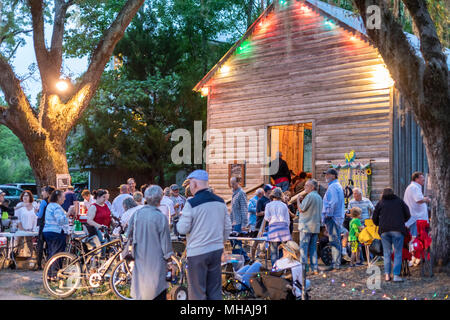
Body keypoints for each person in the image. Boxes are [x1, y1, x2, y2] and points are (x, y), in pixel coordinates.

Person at [176, 169, 232, 300]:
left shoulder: (191, 203)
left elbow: (182, 229)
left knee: (197, 291)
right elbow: (227, 227)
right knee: (214, 290)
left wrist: (181, 219)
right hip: (216, 250)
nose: (190, 187)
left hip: (197, 252)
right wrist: (220, 241)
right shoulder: (220, 201)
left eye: (190, 184)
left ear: (195, 184)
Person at [126, 185, 173, 300]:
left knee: (141, 288)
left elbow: (128, 234)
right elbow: (165, 242)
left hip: (140, 256)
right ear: (160, 199)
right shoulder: (161, 217)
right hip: (157, 258)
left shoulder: (137, 214)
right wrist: (169, 259)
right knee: (157, 289)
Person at [373, 188, 411, 282]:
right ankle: (396, 276)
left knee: (387, 253)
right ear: (393, 193)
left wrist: (379, 224)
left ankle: (387, 275)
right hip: (398, 230)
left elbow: (374, 217)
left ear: (383, 194)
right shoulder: (399, 201)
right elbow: (408, 214)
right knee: (398, 253)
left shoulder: (380, 203)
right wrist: (402, 221)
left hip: (384, 231)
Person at [320, 168, 345, 272]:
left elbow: (333, 202)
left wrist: (328, 215)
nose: (326, 176)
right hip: (336, 217)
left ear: (333, 176)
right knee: (336, 240)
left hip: (332, 217)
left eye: (328, 174)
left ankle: (335, 263)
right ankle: (336, 263)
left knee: (334, 241)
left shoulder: (333, 187)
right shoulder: (336, 186)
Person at [297, 179, 322, 274]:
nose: (304, 187)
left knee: (303, 249)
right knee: (313, 249)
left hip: (306, 226)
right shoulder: (319, 197)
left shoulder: (309, 196)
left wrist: (298, 200)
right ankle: (314, 268)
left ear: (312, 187)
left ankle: (303, 270)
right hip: (315, 226)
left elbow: (301, 209)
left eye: (307, 185)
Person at [264, 187, 291, 265]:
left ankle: (274, 268)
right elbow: (287, 219)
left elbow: (267, 218)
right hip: (284, 227)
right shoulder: (284, 205)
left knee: (273, 250)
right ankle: (281, 268)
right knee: (281, 249)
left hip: (274, 227)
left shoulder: (268, 205)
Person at [43, 189, 69, 262]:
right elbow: (60, 221)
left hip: (47, 231)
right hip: (56, 232)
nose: (65, 198)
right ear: (58, 197)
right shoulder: (57, 207)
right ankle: (55, 271)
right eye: (63, 197)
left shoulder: (50, 205)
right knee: (58, 254)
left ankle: (49, 271)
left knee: (51, 252)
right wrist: (68, 214)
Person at [403, 172, 430, 238]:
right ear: (416, 179)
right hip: (417, 219)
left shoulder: (412, 187)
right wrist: (427, 199)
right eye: (422, 178)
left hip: (415, 218)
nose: (423, 179)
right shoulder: (414, 187)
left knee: (415, 239)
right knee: (416, 240)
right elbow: (418, 200)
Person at [230, 177, 250, 262]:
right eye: (231, 183)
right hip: (233, 222)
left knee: (236, 244)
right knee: (233, 242)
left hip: (239, 222)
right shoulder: (234, 194)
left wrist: (244, 224)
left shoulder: (241, 193)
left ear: (238, 183)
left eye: (233, 183)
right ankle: (246, 259)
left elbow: (244, 209)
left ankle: (237, 261)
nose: (232, 185)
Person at [36, 185, 55, 270]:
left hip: (43, 225)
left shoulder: (44, 202)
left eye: (43, 191)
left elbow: (40, 215)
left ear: (47, 192)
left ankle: (39, 264)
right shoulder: (55, 202)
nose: (42, 193)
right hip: (52, 226)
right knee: (50, 246)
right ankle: (50, 264)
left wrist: (35, 212)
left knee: (40, 245)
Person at [14, 190, 38, 258]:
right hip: (21, 228)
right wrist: (22, 229)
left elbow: (36, 217)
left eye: (27, 195)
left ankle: (32, 257)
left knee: (30, 243)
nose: (25, 197)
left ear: (30, 197)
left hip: (31, 229)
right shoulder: (19, 205)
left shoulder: (34, 204)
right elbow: (17, 218)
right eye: (24, 195)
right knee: (19, 244)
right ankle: (15, 258)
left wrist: (33, 229)